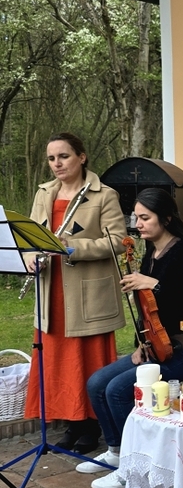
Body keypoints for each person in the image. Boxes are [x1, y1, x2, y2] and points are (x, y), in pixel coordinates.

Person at [85, 188, 183, 488]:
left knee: (117, 391)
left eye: (145, 217)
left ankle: (135, 467)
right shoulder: (150, 254)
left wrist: (153, 283)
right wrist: (142, 343)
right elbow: (147, 311)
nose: (137, 224)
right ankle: (116, 451)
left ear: (165, 218)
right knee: (97, 383)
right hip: (155, 345)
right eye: (136, 217)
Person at [24, 132, 126, 455]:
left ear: (81, 157)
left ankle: (92, 426)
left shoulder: (104, 195)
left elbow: (117, 241)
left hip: (85, 295)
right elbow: (30, 236)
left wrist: (72, 247)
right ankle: (70, 424)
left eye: (64, 156)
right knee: (58, 360)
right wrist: (30, 258)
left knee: (86, 359)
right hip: (51, 290)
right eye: (52, 158)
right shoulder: (44, 193)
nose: (57, 163)